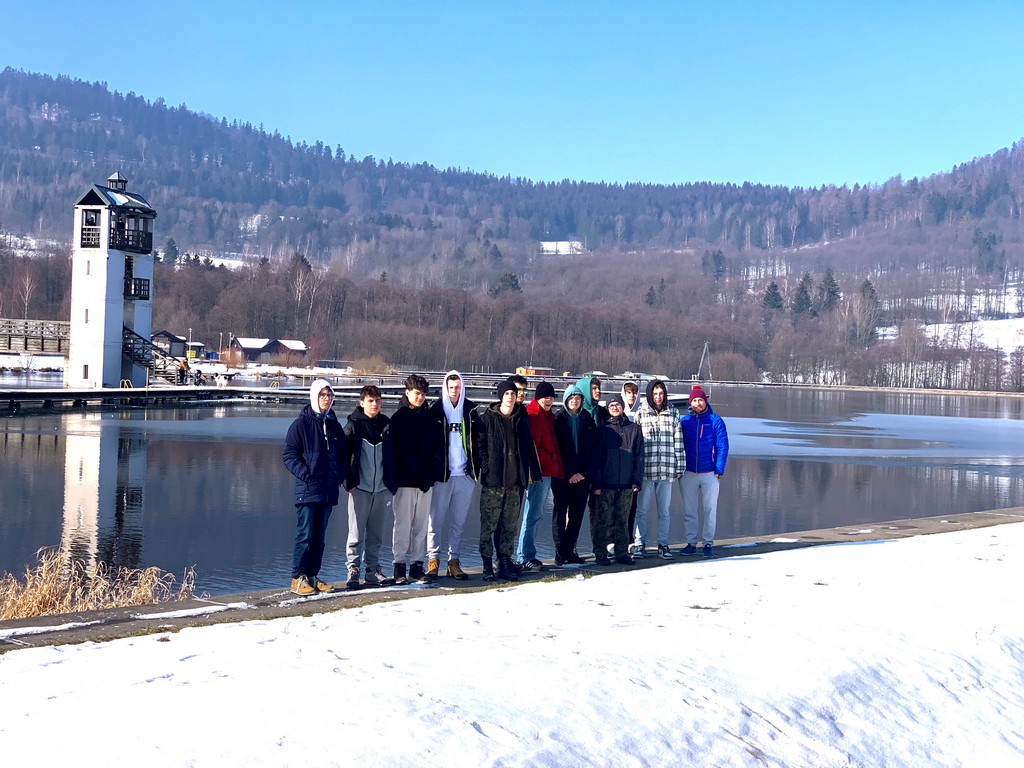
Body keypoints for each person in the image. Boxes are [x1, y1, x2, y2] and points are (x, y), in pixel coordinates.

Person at [282, 379, 347, 595]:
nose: (326, 399)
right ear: (314, 397)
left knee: (319, 537)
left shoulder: (334, 425)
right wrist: (306, 474)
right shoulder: (301, 425)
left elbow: (343, 455)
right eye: (322, 395)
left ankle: (312, 575)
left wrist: (339, 475)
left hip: (328, 490)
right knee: (305, 535)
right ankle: (298, 577)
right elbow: (289, 455)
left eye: (329, 395)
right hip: (308, 490)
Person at [473, 379, 541, 581]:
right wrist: (486, 468)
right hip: (493, 483)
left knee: (509, 527)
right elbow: (479, 447)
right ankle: (487, 565)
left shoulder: (521, 419)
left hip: (514, 483)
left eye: (513, 393)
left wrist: (531, 473)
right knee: (489, 525)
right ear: (500, 397)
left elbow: (528, 447)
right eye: (507, 394)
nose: (511, 397)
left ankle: (504, 563)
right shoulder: (487, 419)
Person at [383, 374, 444, 584]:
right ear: (407, 392)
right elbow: (398, 451)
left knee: (421, 525)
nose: (420, 397)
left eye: (423, 394)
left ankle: (417, 565)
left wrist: (431, 473)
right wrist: (418, 470)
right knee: (402, 524)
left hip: (426, 482)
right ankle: (399, 565)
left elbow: (438, 448)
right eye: (417, 393)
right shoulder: (398, 418)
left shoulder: (430, 418)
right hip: (405, 480)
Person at [426, 370, 478, 581]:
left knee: (458, 523)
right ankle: (433, 560)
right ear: (445, 389)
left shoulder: (470, 410)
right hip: (442, 477)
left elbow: (479, 441)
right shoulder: (436, 410)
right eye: (451, 388)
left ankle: (453, 561)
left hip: (464, 475)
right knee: (435, 522)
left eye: (457, 387)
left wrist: (475, 470)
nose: (454, 391)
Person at [343, 385, 394, 588]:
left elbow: (395, 455)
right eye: (370, 401)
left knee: (376, 534)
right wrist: (348, 482)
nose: (375, 404)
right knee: (356, 533)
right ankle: (353, 570)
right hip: (360, 488)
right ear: (362, 402)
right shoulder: (353, 426)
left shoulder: (387, 426)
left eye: (378, 400)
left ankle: (372, 571)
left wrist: (392, 483)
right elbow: (343, 456)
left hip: (382, 489)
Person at [515, 381, 563, 570]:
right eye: (545, 398)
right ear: (537, 398)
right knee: (532, 514)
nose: (548, 401)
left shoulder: (548, 417)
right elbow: (533, 447)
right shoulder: (534, 416)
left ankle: (526, 554)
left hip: (546, 471)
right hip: (538, 472)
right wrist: (549, 460)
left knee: (535, 514)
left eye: (551, 397)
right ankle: (524, 555)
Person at [633, 379, 683, 559]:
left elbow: (679, 441)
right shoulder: (641, 413)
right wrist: (635, 469)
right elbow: (635, 443)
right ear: (649, 395)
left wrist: (680, 466)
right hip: (646, 470)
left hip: (666, 469)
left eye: (661, 393)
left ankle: (663, 544)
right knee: (642, 510)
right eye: (655, 394)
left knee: (664, 511)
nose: (658, 397)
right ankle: (639, 544)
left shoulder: (673, 413)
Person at [591, 394, 644, 565]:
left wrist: (636, 480)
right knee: (602, 520)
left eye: (618, 404)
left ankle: (622, 553)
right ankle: (600, 553)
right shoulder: (602, 430)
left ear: (623, 407)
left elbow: (639, 457)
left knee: (623, 520)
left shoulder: (634, 429)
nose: (615, 407)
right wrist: (597, 482)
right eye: (611, 405)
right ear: (608, 409)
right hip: (606, 483)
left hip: (626, 484)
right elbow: (597, 459)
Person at [678, 385, 730, 558]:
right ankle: (691, 543)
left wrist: (719, 469)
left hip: (710, 473)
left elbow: (723, 446)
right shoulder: (684, 422)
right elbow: (677, 445)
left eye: (700, 400)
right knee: (689, 511)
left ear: (705, 401)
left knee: (710, 510)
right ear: (690, 403)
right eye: (694, 400)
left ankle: (707, 543)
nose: (697, 403)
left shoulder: (715, 421)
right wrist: (679, 468)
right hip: (688, 472)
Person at [551, 383, 599, 564]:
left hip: (583, 477)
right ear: (565, 400)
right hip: (563, 476)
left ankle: (570, 550)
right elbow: (557, 450)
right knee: (559, 513)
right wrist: (570, 472)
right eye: (571, 398)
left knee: (577, 515)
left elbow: (594, 449)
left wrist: (584, 472)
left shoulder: (587, 419)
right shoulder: (558, 420)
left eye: (578, 398)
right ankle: (559, 551)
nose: (574, 401)